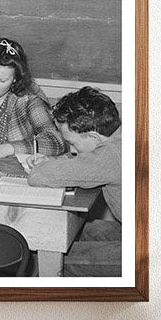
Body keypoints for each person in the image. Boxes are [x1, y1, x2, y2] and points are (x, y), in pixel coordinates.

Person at [22, 87, 123, 276]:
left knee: (53, 259)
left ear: (93, 136)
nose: (72, 149)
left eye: (73, 143)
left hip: (151, 249)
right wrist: (55, 161)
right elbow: (82, 159)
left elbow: (37, 176)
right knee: (77, 232)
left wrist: (47, 167)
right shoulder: (119, 137)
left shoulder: (110, 155)